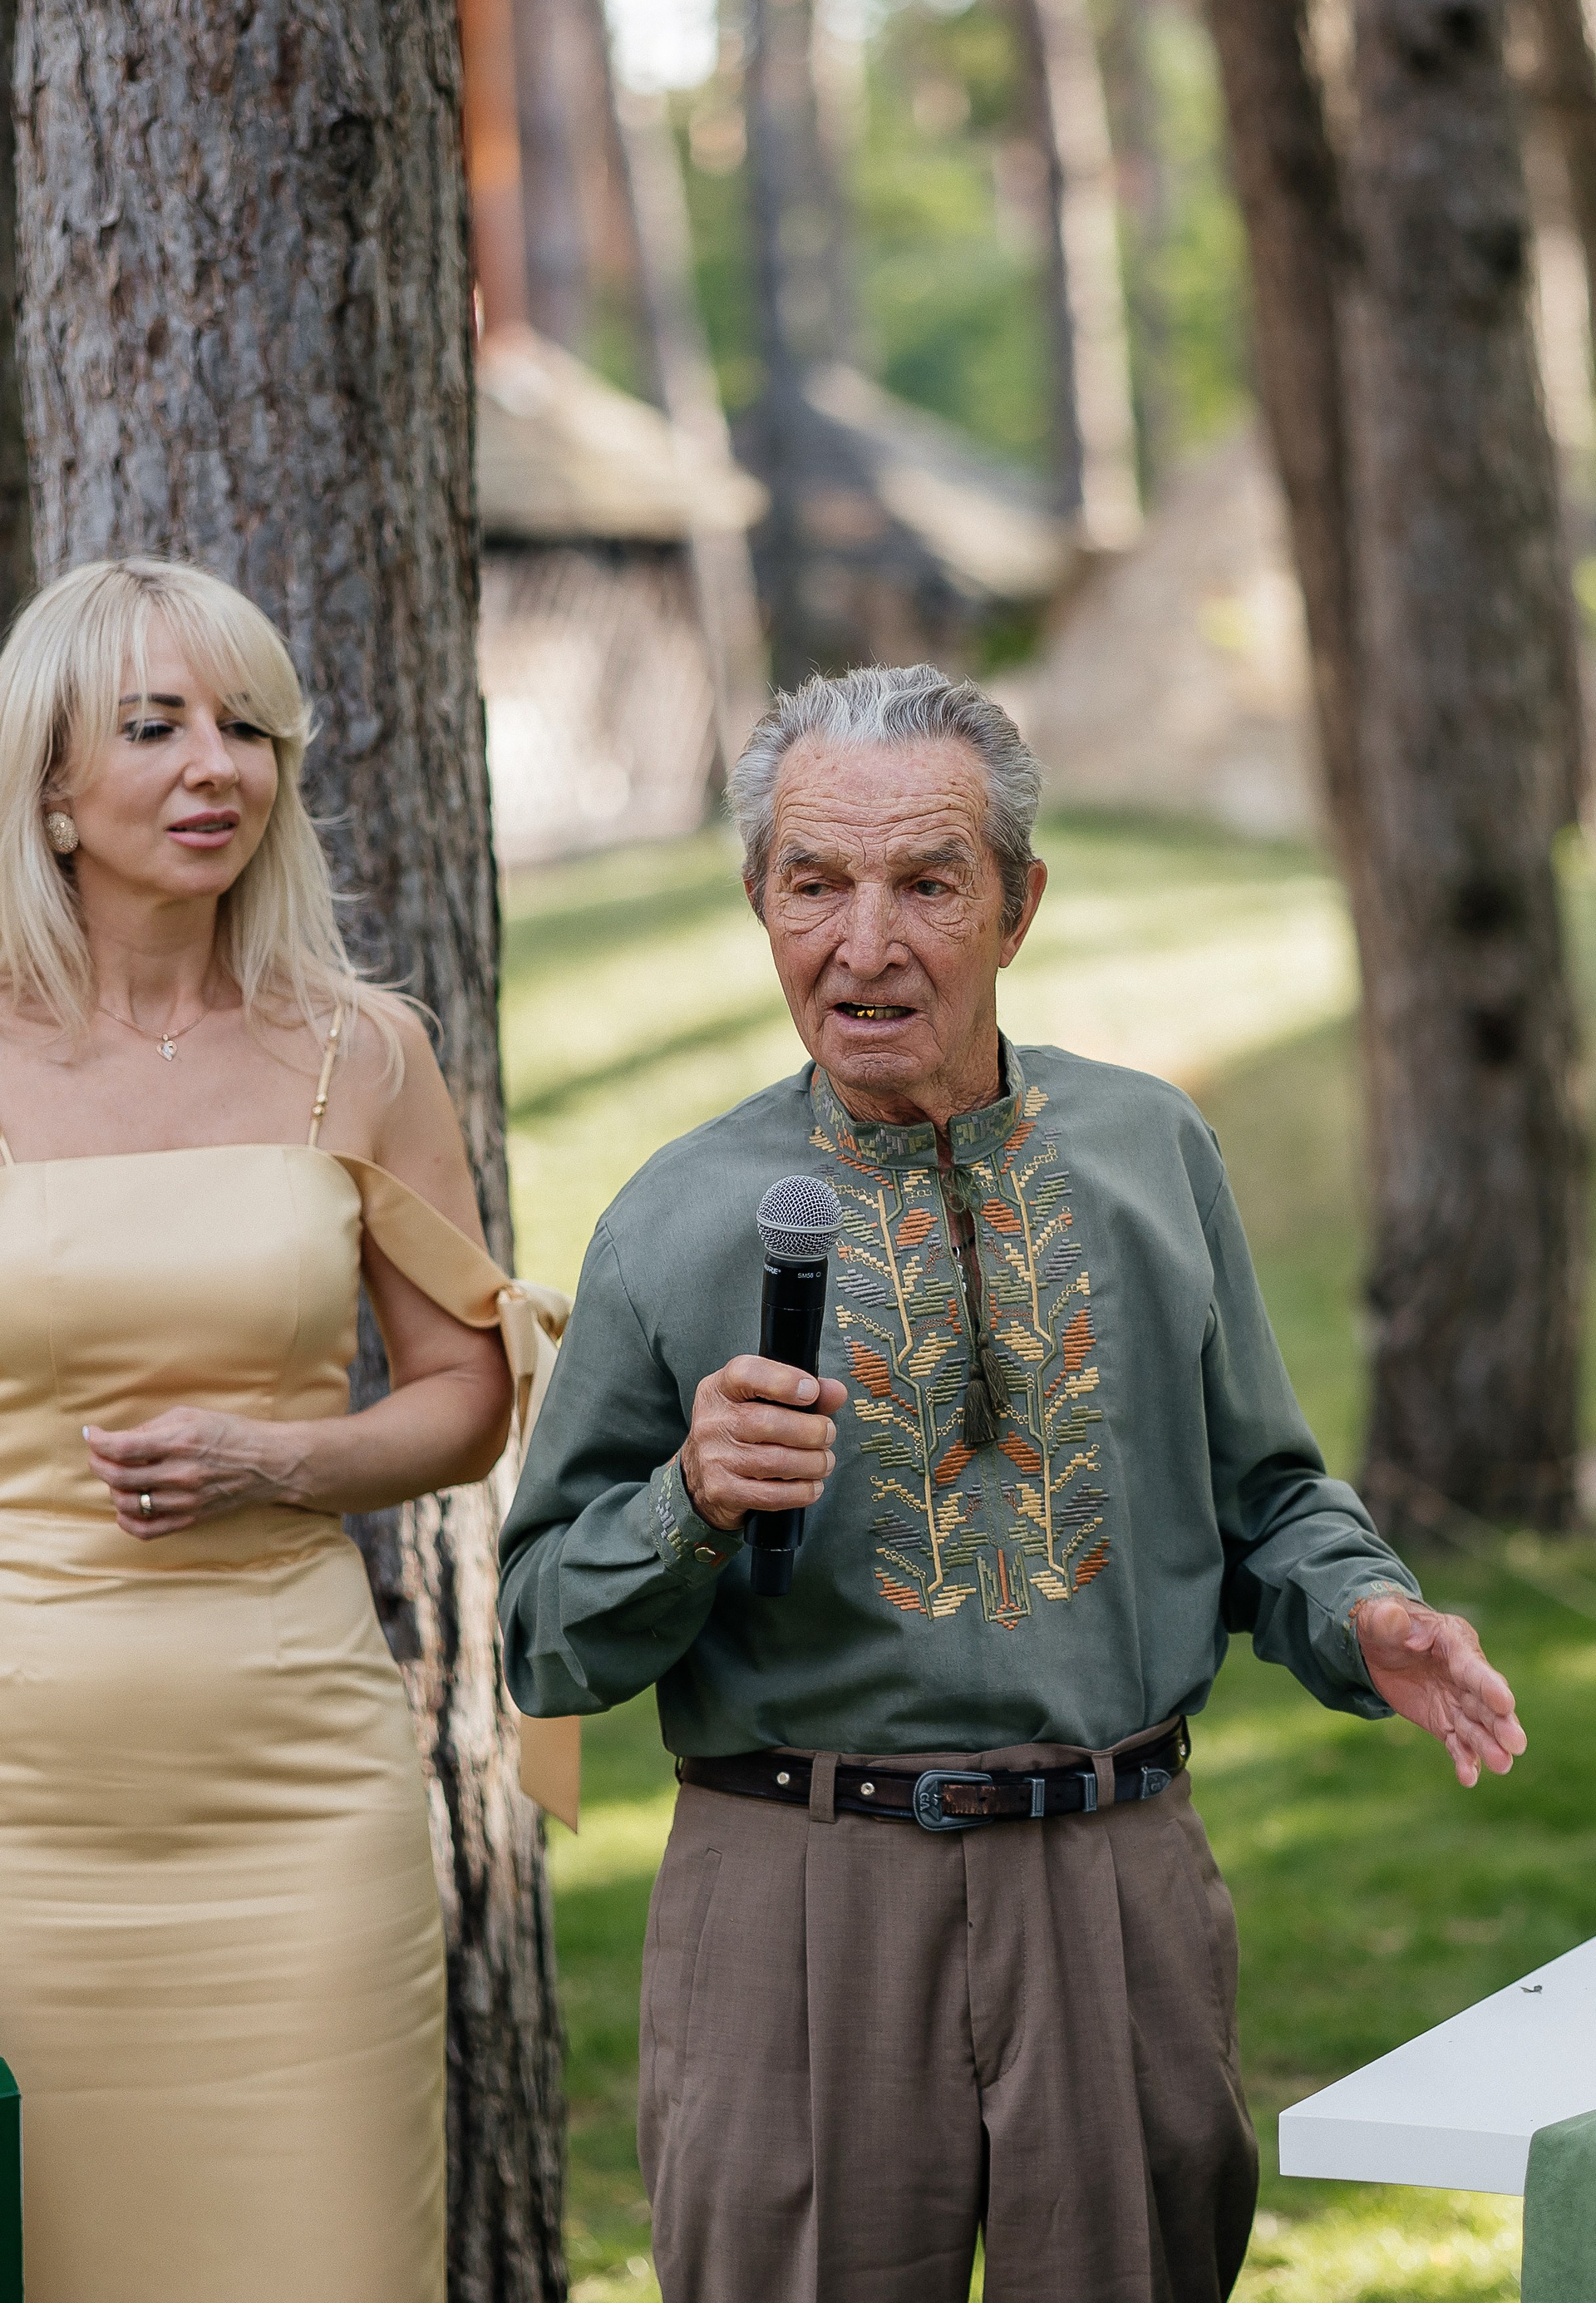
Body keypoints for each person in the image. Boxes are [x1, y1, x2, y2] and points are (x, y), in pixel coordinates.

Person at [499, 664, 1526, 2303]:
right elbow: (542, 1641)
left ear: (1020, 905)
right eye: (814, 886)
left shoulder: (1151, 1155)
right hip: (796, 1897)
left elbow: (1268, 1502)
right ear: (760, 902)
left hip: (1115, 1883)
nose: (865, 945)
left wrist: (1367, 1615)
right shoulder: (672, 1220)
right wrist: (685, 1501)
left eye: (928, 883)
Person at [0, 558, 556, 2303]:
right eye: (154, 726)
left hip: (296, 1798)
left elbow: (470, 1388)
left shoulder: (359, 1053)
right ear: (48, 783)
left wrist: (281, 1462)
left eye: (247, 728)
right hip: (19, 1814)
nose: (214, 766)